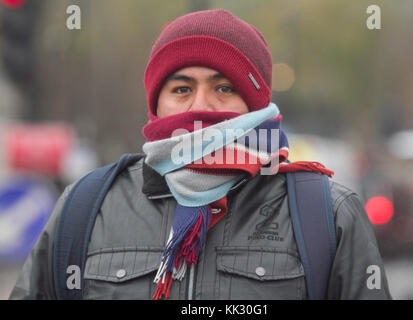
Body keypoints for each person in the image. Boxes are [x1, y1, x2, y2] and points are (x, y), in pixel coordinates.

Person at [9, 9, 391, 300]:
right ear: (156, 103)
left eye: (224, 88)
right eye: (181, 88)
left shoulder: (324, 213)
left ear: (255, 104)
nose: (201, 105)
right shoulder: (85, 207)